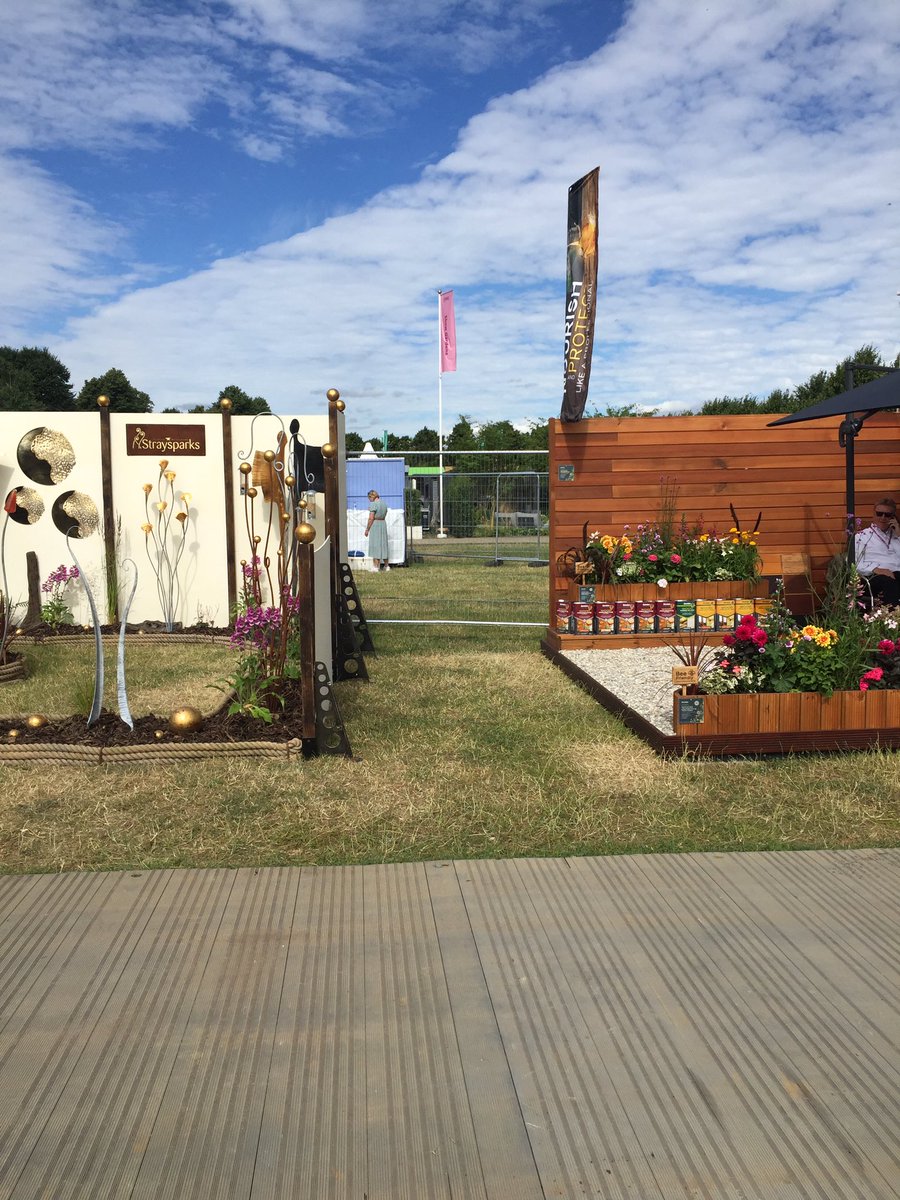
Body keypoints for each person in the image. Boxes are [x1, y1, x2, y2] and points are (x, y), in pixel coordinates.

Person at [855, 497, 900, 606]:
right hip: (872, 576)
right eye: (880, 514)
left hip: (896, 573)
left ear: (893, 517)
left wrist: (899, 535)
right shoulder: (862, 536)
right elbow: (856, 563)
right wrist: (877, 569)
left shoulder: (897, 536)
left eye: (887, 515)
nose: (883, 517)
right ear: (874, 515)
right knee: (888, 583)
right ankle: (893, 619)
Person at [364, 489, 390, 572]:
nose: (369, 500)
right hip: (383, 523)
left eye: (369, 498)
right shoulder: (384, 503)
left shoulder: (373, 504)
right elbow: (385, 514)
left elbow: (371, 518)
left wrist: (367, 529)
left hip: (376, 524)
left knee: (375, 545)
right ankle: (386, 566)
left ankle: (376, 567)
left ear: (372, 496)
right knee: (383, 544)